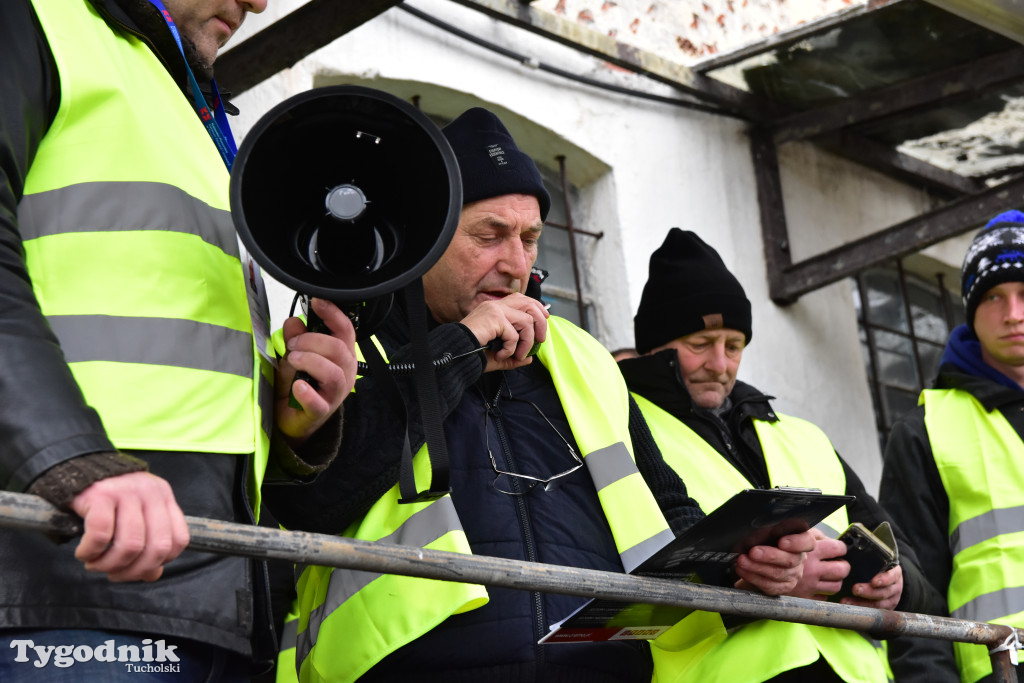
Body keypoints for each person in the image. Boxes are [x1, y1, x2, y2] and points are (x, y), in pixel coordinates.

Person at [265, 108, 816, 683]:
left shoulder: (583, 357)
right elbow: (313, 503)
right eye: (489, 235)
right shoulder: (350, 339)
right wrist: (463, 346)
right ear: (423, 235)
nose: (517, 263)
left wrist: (740, 566)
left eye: (530, 239)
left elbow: (668, 513)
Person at [0, 0, 357, 679]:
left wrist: (289, 421)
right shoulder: (36, 18)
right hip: (58, 581)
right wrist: (74, 458)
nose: (257, 4)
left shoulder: (186, 110)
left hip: (212, 593)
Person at [618, 228, 939, 683]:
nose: (719, 363)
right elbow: (623, 598)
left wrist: (895, 586)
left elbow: (911, 568)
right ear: (653, 345)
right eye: (698, 344)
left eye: (734, 346)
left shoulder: (803, 436)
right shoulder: (622, 429)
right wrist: (762, 588)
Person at [880, 210, 1024, 683]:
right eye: (993, 297)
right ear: (970, 308)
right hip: (1001, 670)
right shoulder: (926, 430)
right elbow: (916, 596)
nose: (1013, 314)